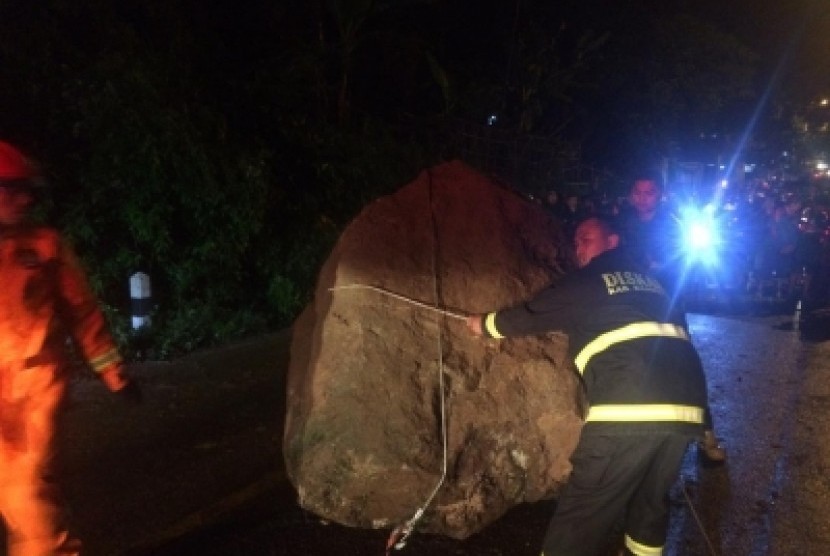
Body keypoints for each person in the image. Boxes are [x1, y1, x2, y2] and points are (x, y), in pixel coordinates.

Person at [466, 216, 708, 556]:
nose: (579, 246)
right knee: (650, 504)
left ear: (613, 241)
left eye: (587, 238)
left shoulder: (590, 279)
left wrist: (486, 325)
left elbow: (535, 311)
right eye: (576, 240)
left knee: (582, 513)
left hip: (630, 411)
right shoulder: (656, 285)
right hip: (688, 409)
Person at [0, 140, 140, 555]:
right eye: (12, 189)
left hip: (35, 387)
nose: (24, 199)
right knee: (29, 493)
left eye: (26, 190)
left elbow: (82, 312)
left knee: (26, 490)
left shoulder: (44, 246)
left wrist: (114, 375)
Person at [615, 177, 726, 463]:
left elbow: (683, 263)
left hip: (667, 304)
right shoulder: (621, 222)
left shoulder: (673, 226)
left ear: (659, 195)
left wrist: (659, 269)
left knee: (683, 362)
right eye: (637, 192)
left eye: (649, 192)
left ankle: (706, 433)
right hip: (630, 303)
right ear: (630, 196)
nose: (643, 198)